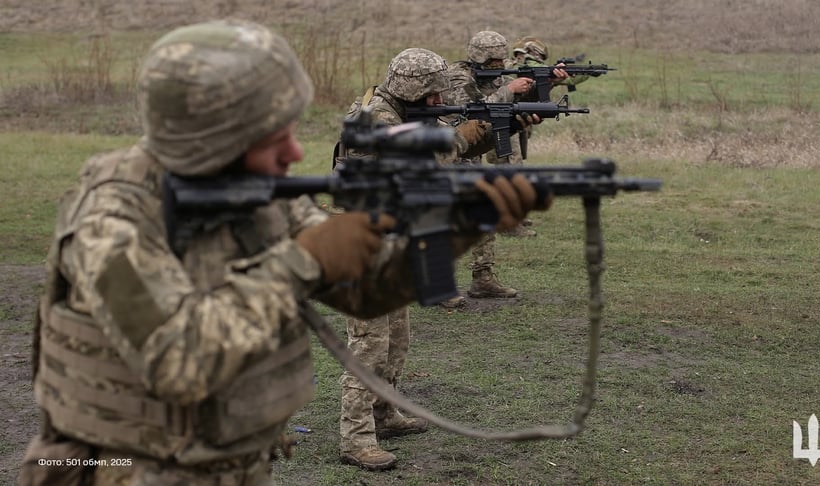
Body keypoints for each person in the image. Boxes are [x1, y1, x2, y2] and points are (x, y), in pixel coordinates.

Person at [18, 21, 546, 485]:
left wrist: (466, 226)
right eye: (272, 134)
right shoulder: (110, 216)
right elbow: (177, 361)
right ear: (204, 131)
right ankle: (357, 431)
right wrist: (307, 257)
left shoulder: (255, 194)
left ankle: (380, 415)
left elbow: (367, 293)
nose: (295, 153)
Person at [337, 47, 502, 471]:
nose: (437, 102)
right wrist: (474, 130)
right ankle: (355, 438)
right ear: (411, 89)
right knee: (368, 346)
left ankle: (384, 413)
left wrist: (496, 124)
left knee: (396, 338)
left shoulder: (399, 111)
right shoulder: (379, 119)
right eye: (431, 95)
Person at [443, 31, 559, 282]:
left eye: (500, 59)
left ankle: (484, 278)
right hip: (450, 152)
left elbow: (510, 105)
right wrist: (508, 89)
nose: (499, 65)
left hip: (471, 153)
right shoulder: (458, 76)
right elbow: (473, 109)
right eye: (494, 60)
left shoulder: (495, 77)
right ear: (480, 57)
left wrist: (547, 83)